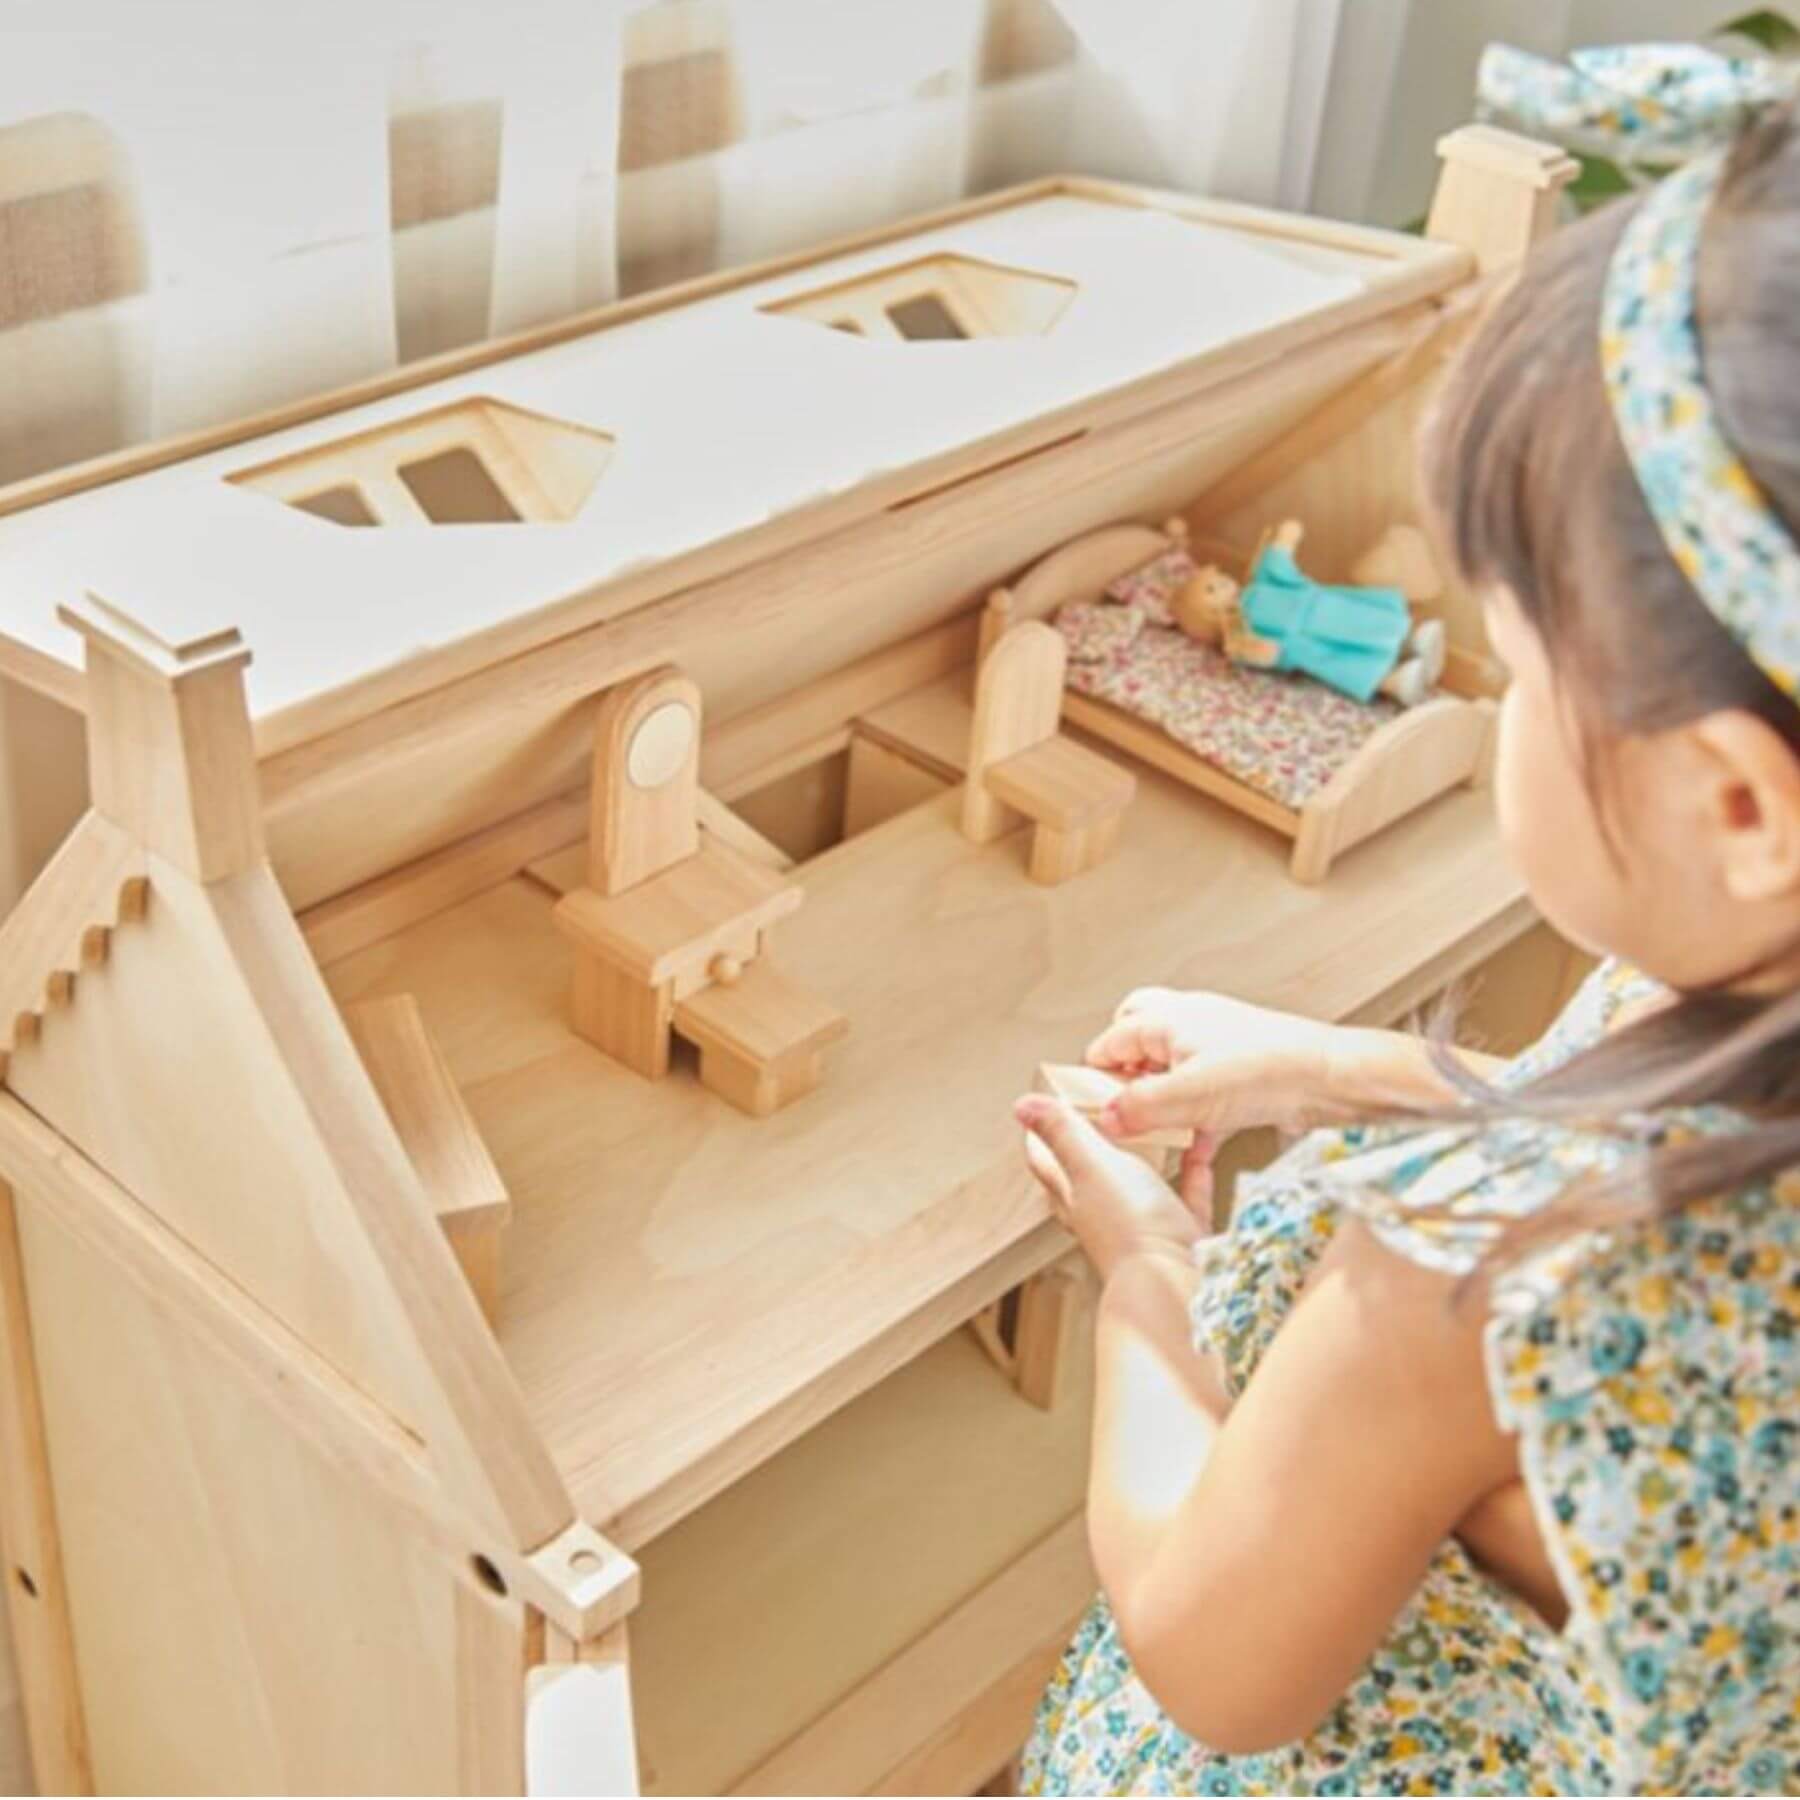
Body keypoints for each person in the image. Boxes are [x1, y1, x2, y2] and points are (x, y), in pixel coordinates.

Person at [1012, 65, 1800, 1798]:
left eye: (1518, 675)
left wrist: (1149, 1275)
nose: (1496, 707)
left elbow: (1214, 1652)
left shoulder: (1461, 1280)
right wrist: (1329, 1060)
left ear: (1740, 810)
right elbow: (1648, 1127)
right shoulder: (1751, 1023)